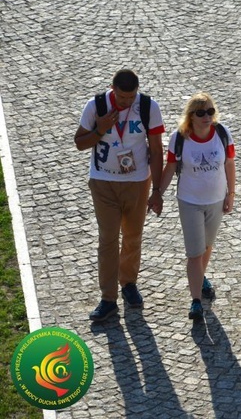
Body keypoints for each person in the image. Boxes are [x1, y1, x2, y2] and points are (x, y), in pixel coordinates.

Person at [74, 69, 165, 321]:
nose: (127, 102)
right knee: (108, 239)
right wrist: (100, 129)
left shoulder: (147, 106)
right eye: (122, 97)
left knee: (133, 236)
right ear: (112, 89)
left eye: (131, 97)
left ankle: (129, 283)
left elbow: (156, 150)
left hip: (137, 182)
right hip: (103, 182)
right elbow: (80, 143)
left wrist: (157, 190)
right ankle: (108, 298)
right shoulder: (96, 106)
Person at [158, 93, 236, 321]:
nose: (206, 117)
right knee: (194, 253)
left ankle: (200, 278)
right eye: (201, 113)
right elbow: (171, 167)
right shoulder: (179, 137)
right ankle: (195, 301)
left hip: (215, 200)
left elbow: (230, 164)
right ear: (190, 116)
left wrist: (231, 194)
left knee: (207, 246)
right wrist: (157, 194)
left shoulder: (222, 133)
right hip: (190, 201)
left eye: (210, 111)